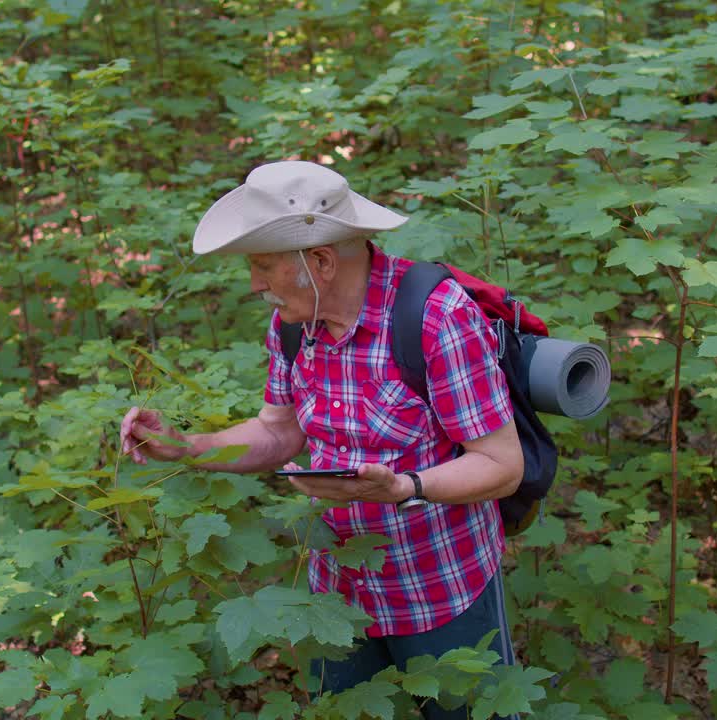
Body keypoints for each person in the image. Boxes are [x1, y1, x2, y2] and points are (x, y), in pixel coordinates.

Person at [119, 160, 522, 718]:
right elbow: (278, 431)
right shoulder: (295, 321)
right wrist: (188, 447)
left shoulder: (436, 318)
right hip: (336, 594)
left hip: (441, 589)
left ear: (322, 262)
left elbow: (502, 464)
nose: (255, 284)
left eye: (262, 266)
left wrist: (405, 487)